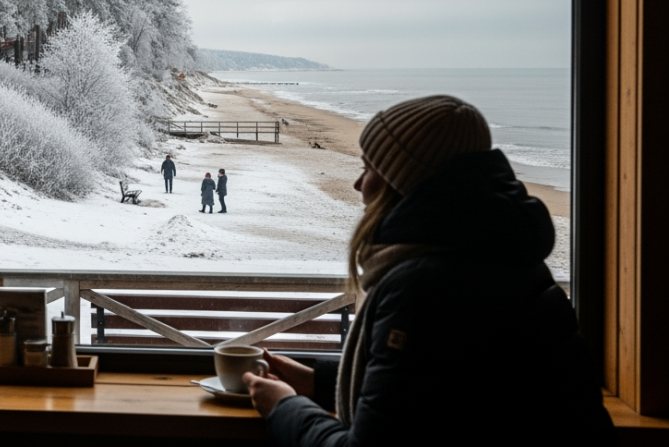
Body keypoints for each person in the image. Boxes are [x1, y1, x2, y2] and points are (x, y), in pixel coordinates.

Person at [243, 95, 616, 446]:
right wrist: (319, 381)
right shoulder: (508, 260)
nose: (358, 184)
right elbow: (444, 393)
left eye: (368, 168)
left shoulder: (423, 290)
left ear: (402, 182)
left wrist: (283, 407)